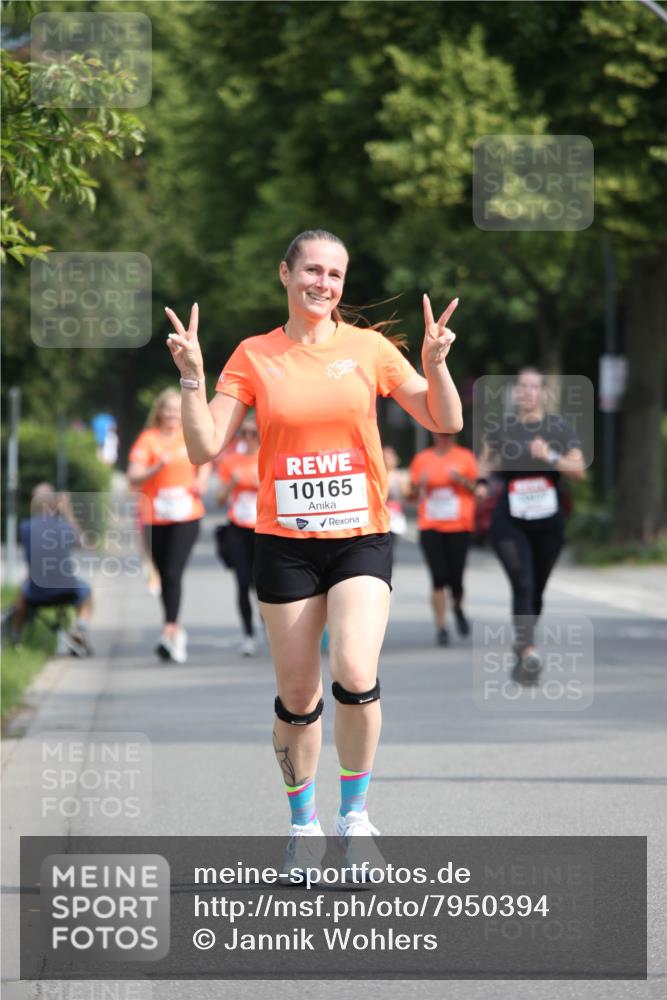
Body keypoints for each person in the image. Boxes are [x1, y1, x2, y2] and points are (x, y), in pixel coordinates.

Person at [164, 228, 462, 866]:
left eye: (335, 274)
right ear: (285, 274)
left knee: (355, 673)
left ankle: (354, 819)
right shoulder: (253, 355)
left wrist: (436, 365)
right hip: (285, 544)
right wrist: (192, 379)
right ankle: (304, 824)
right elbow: (203, 448)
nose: (323, 284)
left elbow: (446, 421)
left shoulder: (370, 349)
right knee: (299, 699)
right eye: (312, 271)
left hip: (360, 536)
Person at [476, 367, 586, 685]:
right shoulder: (504, 429)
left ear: (542, 393)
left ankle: (523, 644)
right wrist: (482, 483)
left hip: (548, 521)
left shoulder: (558, 428)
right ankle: (528, 650)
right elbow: (485, 457)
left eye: (532, 387)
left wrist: (549, 454)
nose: (526, 392)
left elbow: (578, 470)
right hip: (509, 520)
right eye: (521, 388)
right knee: (522, 581)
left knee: (536, 590)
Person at [127, 389, 209, 664]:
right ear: (159, 412)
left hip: (187, 515)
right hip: (154, 517)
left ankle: (169, 630)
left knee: (173, 573)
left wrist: (202, 480)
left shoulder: (190, 434)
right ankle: (174, 630)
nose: (173, 414)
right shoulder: (148, 439)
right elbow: (133, 476)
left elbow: (207, 456)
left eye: (177, 409)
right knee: (164, 575)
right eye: (168, 409)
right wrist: (155, 468)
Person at [409, 433, 478, 646]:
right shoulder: (422, 459)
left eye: (448, 435)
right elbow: (410, 495)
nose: (444, 439)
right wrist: (418, 485)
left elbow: (477, 489)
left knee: (456, 579)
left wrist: (461, 480)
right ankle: (441, 627)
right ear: (433, 434)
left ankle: (457, 606)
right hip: (430, 525)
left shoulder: (465, 457)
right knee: (438, 577)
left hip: (459, 526)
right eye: (440, 435)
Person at [12, 484, 93, 656]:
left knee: (21, 592)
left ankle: (15, 638)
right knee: (87, 592)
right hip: (67, 590)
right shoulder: (64, 527)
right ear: (53, 504)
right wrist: (67, 511)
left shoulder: (25, 527)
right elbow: (85, 544)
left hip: (36, 591)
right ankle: (78, 630)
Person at [216, 417, 260, 656]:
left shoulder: (269, 457)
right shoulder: (231, 461)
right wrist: (232, 484)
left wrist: (261, 486)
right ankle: (247, 634)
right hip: (237, 527)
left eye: (253, 433)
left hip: (264, 529)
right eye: (244, 433)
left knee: (263, 584)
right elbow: (219, 500)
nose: (248, 437)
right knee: (242, 582)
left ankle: (268, 626)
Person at [382, 445, 410, 551]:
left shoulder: (401, 477)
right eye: (385, 457)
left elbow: (407, 496)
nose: (387, 460)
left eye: (389, 457)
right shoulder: (376, 476)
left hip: (395, 517)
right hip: (380, 516)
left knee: (391, 545)